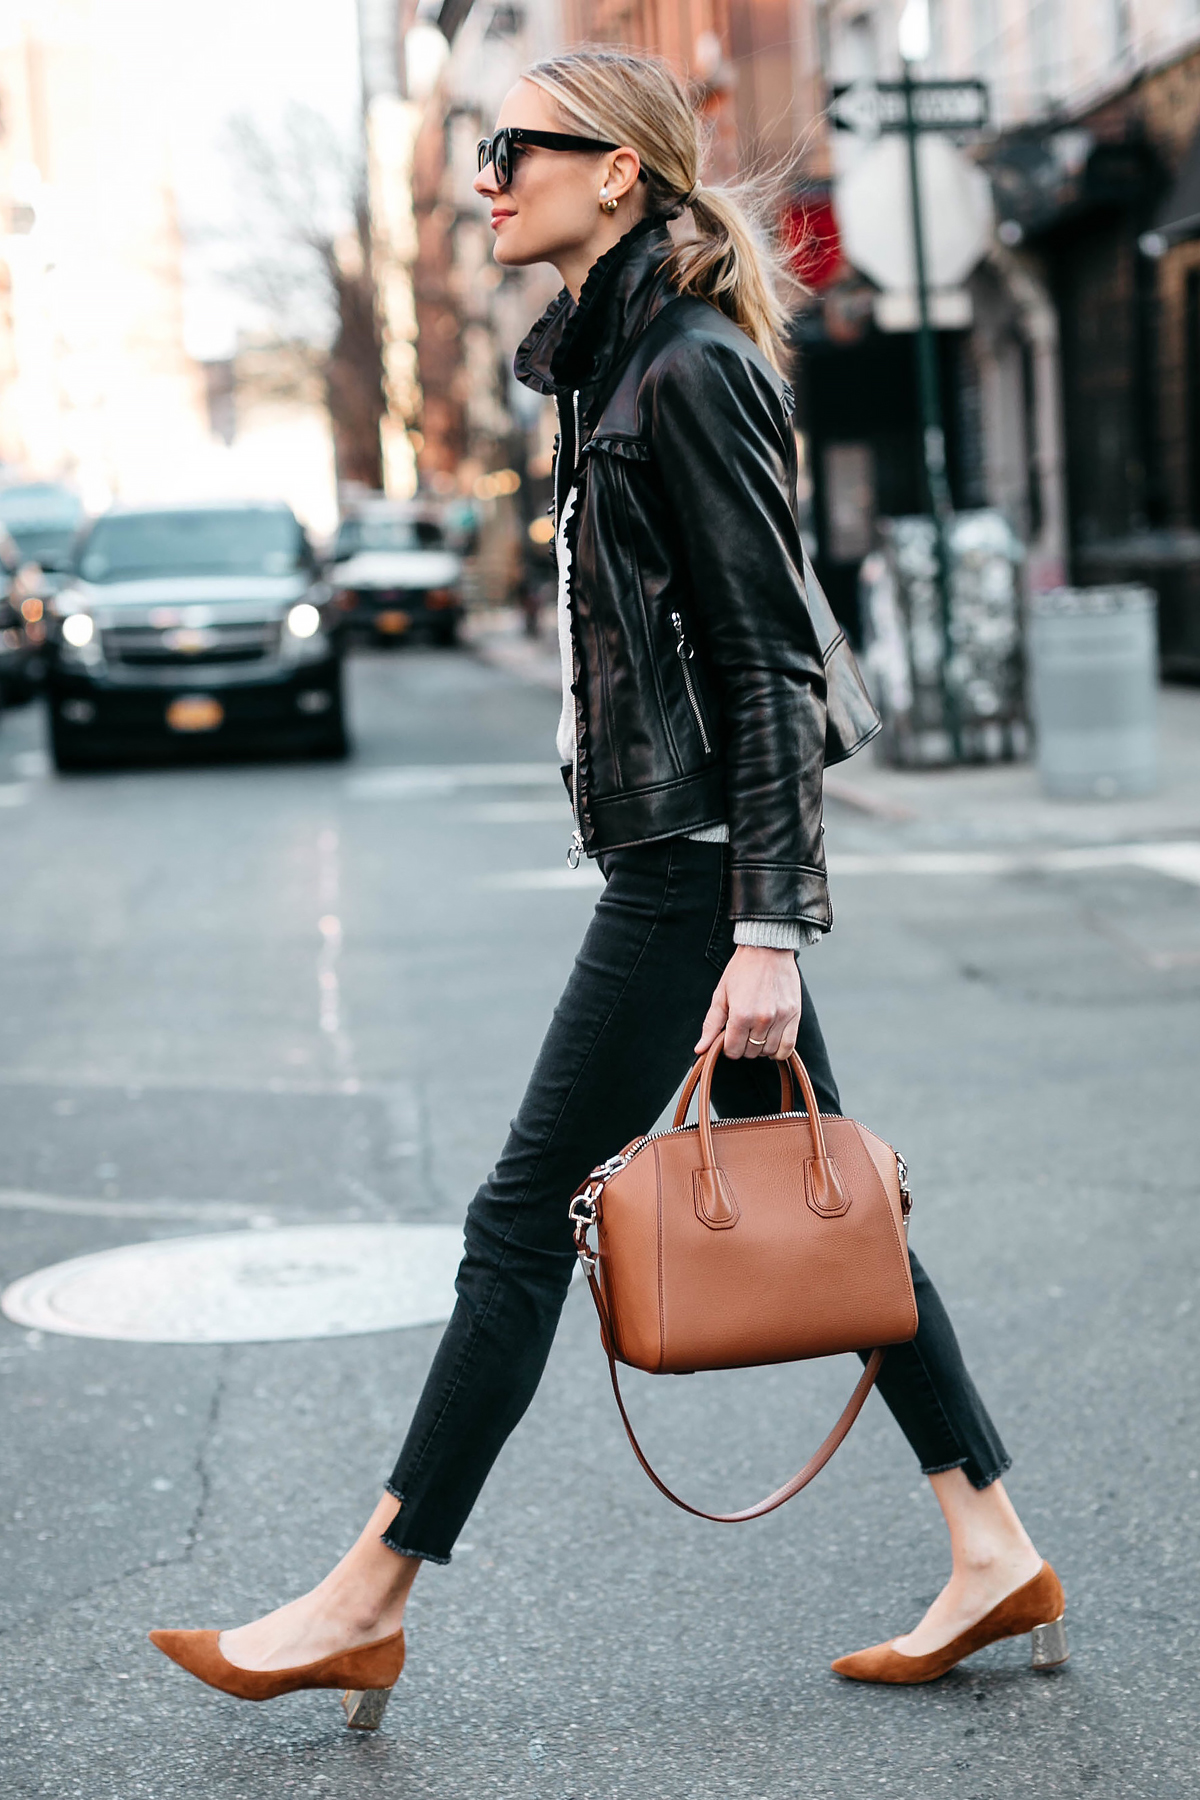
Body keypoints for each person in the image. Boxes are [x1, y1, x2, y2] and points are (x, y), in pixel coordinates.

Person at [149, 46, 1066, 1719]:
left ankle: (367, 1593)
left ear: (620, 174)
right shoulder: (612, 366)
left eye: (517, 148)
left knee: (514, 1224)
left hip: (696, 873)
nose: (485, 176)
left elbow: (771, 663)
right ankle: (990, 1543)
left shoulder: (688, 370)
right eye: (483, 151)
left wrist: (766, 928)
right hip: (684, 861)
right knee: (835, 1208)